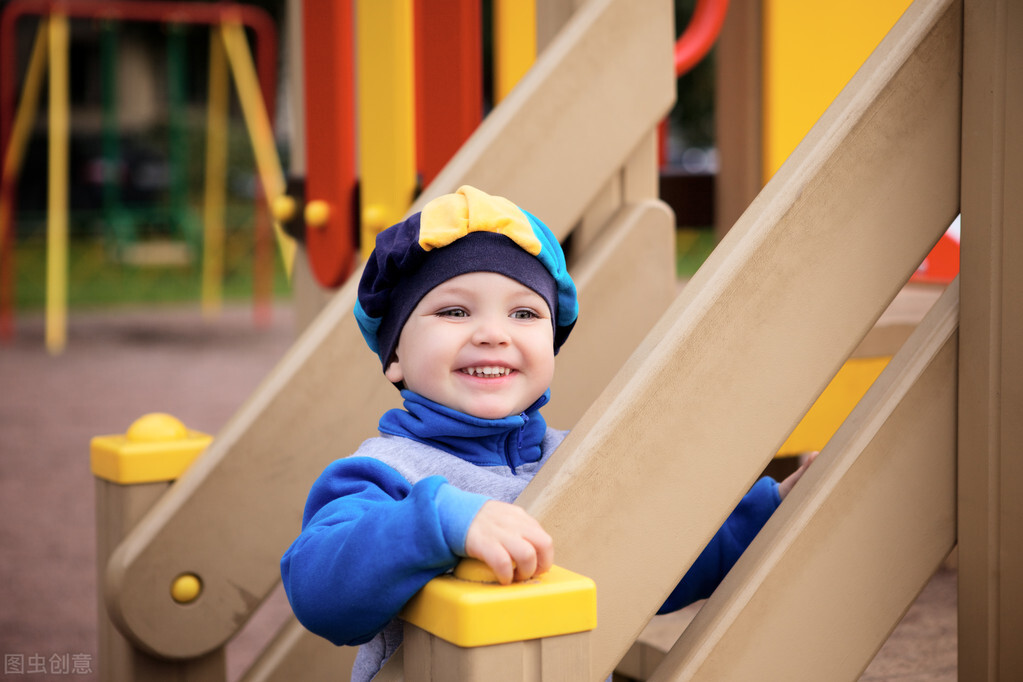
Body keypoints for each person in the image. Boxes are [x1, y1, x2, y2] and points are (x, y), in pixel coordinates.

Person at [280, 185, 813, 681]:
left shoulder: (582, 461)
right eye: (454, 310)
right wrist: (440, 520)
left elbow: (661, 558)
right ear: (394, 355)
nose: (493, 334)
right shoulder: (384, 472)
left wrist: (770, 510)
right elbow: (319, 593)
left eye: (524, 313)